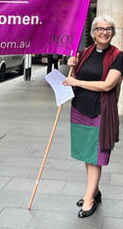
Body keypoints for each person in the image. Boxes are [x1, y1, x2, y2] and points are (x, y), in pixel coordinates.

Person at [63, 15, 123, 218]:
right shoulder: (85, 53)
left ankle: (89, 200)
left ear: (113, 33)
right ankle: (95, 191)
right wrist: (71, 63)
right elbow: (75, 75)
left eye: (108, 29)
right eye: (100, 28)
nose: (104, 32)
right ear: (93, 33)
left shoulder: (118, 56)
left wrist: (76, 82)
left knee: (95, 157)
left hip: (101, 112)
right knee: (86, 154)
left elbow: (107, 85)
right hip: (80, 109)